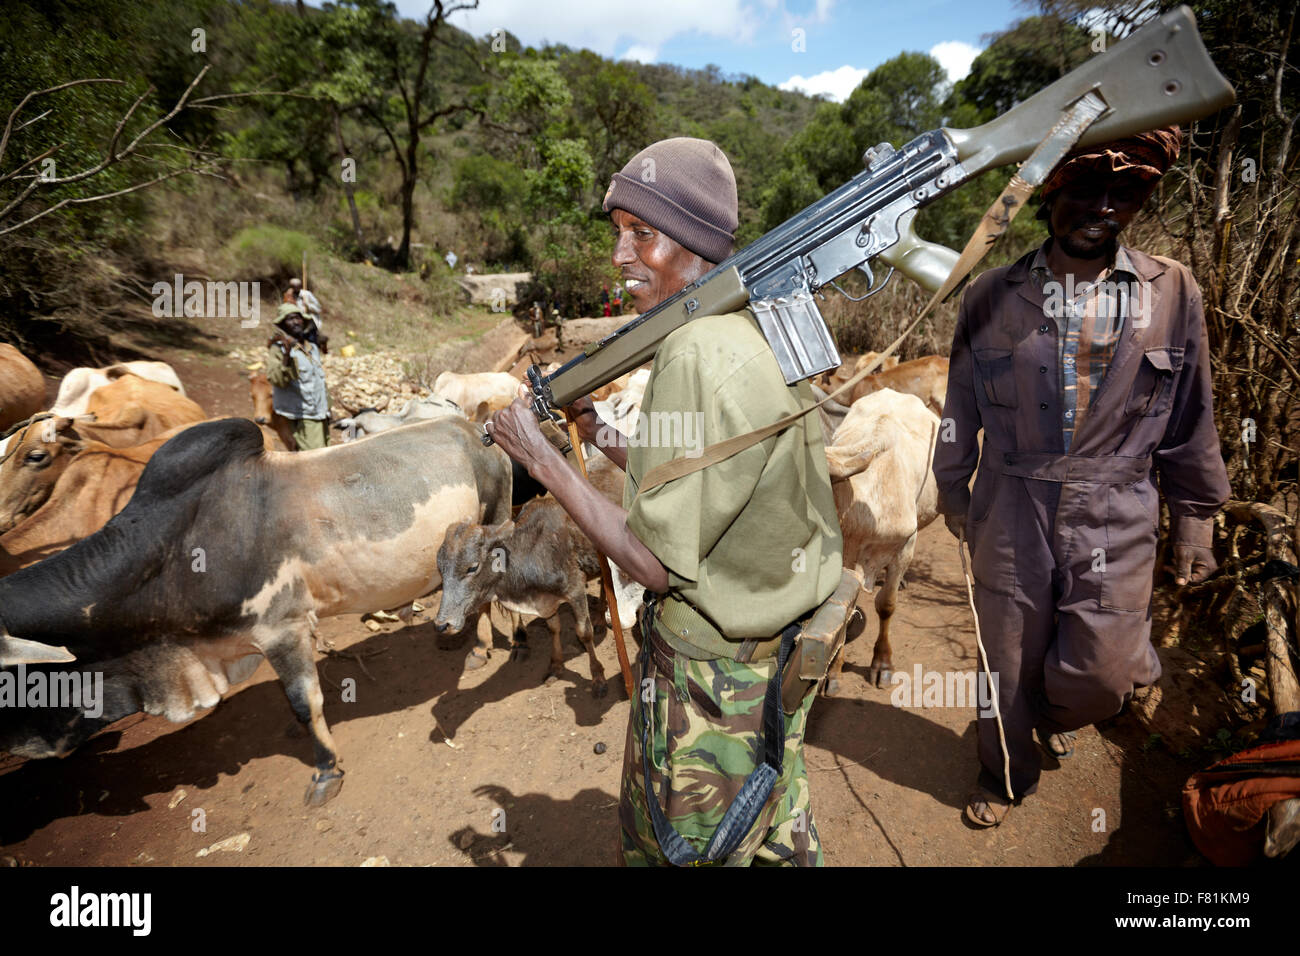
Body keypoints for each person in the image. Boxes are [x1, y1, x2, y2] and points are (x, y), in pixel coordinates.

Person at [485, 137, 843, 865]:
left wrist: (543, 458)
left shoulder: (692, 350)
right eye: (618, 232)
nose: (620, 254)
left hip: (709, 688)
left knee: (681, 848)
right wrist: (607, 436)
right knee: (768, 828)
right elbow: (718, 467)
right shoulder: (761, 324)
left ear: (696, 243)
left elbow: (652, 561)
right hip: (777, 661)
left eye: (642, 234)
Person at [932, 128, 1230, 827]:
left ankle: (1049, 707)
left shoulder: (1172, 291)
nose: (1104, 206)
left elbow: (1193, 409)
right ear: (1052, 194)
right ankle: (1004, 771)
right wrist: (952, 489)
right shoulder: (990, 295)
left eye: (1123, 194)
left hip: (1117, 504)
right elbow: (958, 406)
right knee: (1003, 657)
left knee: (1102, 674)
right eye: (1086, 190)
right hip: (1011, 501)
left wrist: (1196, 517)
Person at [265, 301, 330, 451]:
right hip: (300, 416)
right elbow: (276, 380)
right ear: (283, 325)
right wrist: (287, 355)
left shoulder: (311, 347)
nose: (295, 322)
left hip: (319, 413)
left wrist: (327, 408)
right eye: (289, 319)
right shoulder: (278, 349)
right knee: (315, 460)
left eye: (298, 318)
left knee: (324, 454)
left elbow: (318, 381)